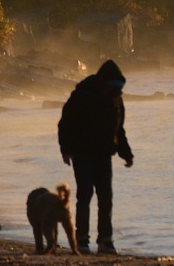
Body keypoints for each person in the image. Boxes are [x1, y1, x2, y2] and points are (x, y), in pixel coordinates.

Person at [57, 58, 134, 254]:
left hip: (104, 154)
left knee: (106, 198)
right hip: (82, 153)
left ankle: (105, 241)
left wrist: (126, 154)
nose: (114, 90)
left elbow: (119, 129)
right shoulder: (83, 94)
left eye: (118, 87)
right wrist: (65, 149)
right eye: (112, 85)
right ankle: (82, 239)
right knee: (85, 196)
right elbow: (65, 123)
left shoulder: (116, 99)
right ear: (103, 81)